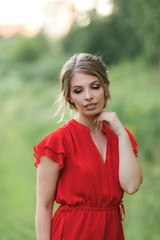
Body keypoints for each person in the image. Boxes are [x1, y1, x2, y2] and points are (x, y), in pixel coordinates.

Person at [33, 53, 143, 240]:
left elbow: (131, 186)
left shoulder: (121, 137)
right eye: (78, 90)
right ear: (68, 96)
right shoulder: (57, 142)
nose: (88, 97)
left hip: (111, 232)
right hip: (72, 232)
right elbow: (43, 206)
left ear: (106, 87)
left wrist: (122, 134)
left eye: (95, 87)